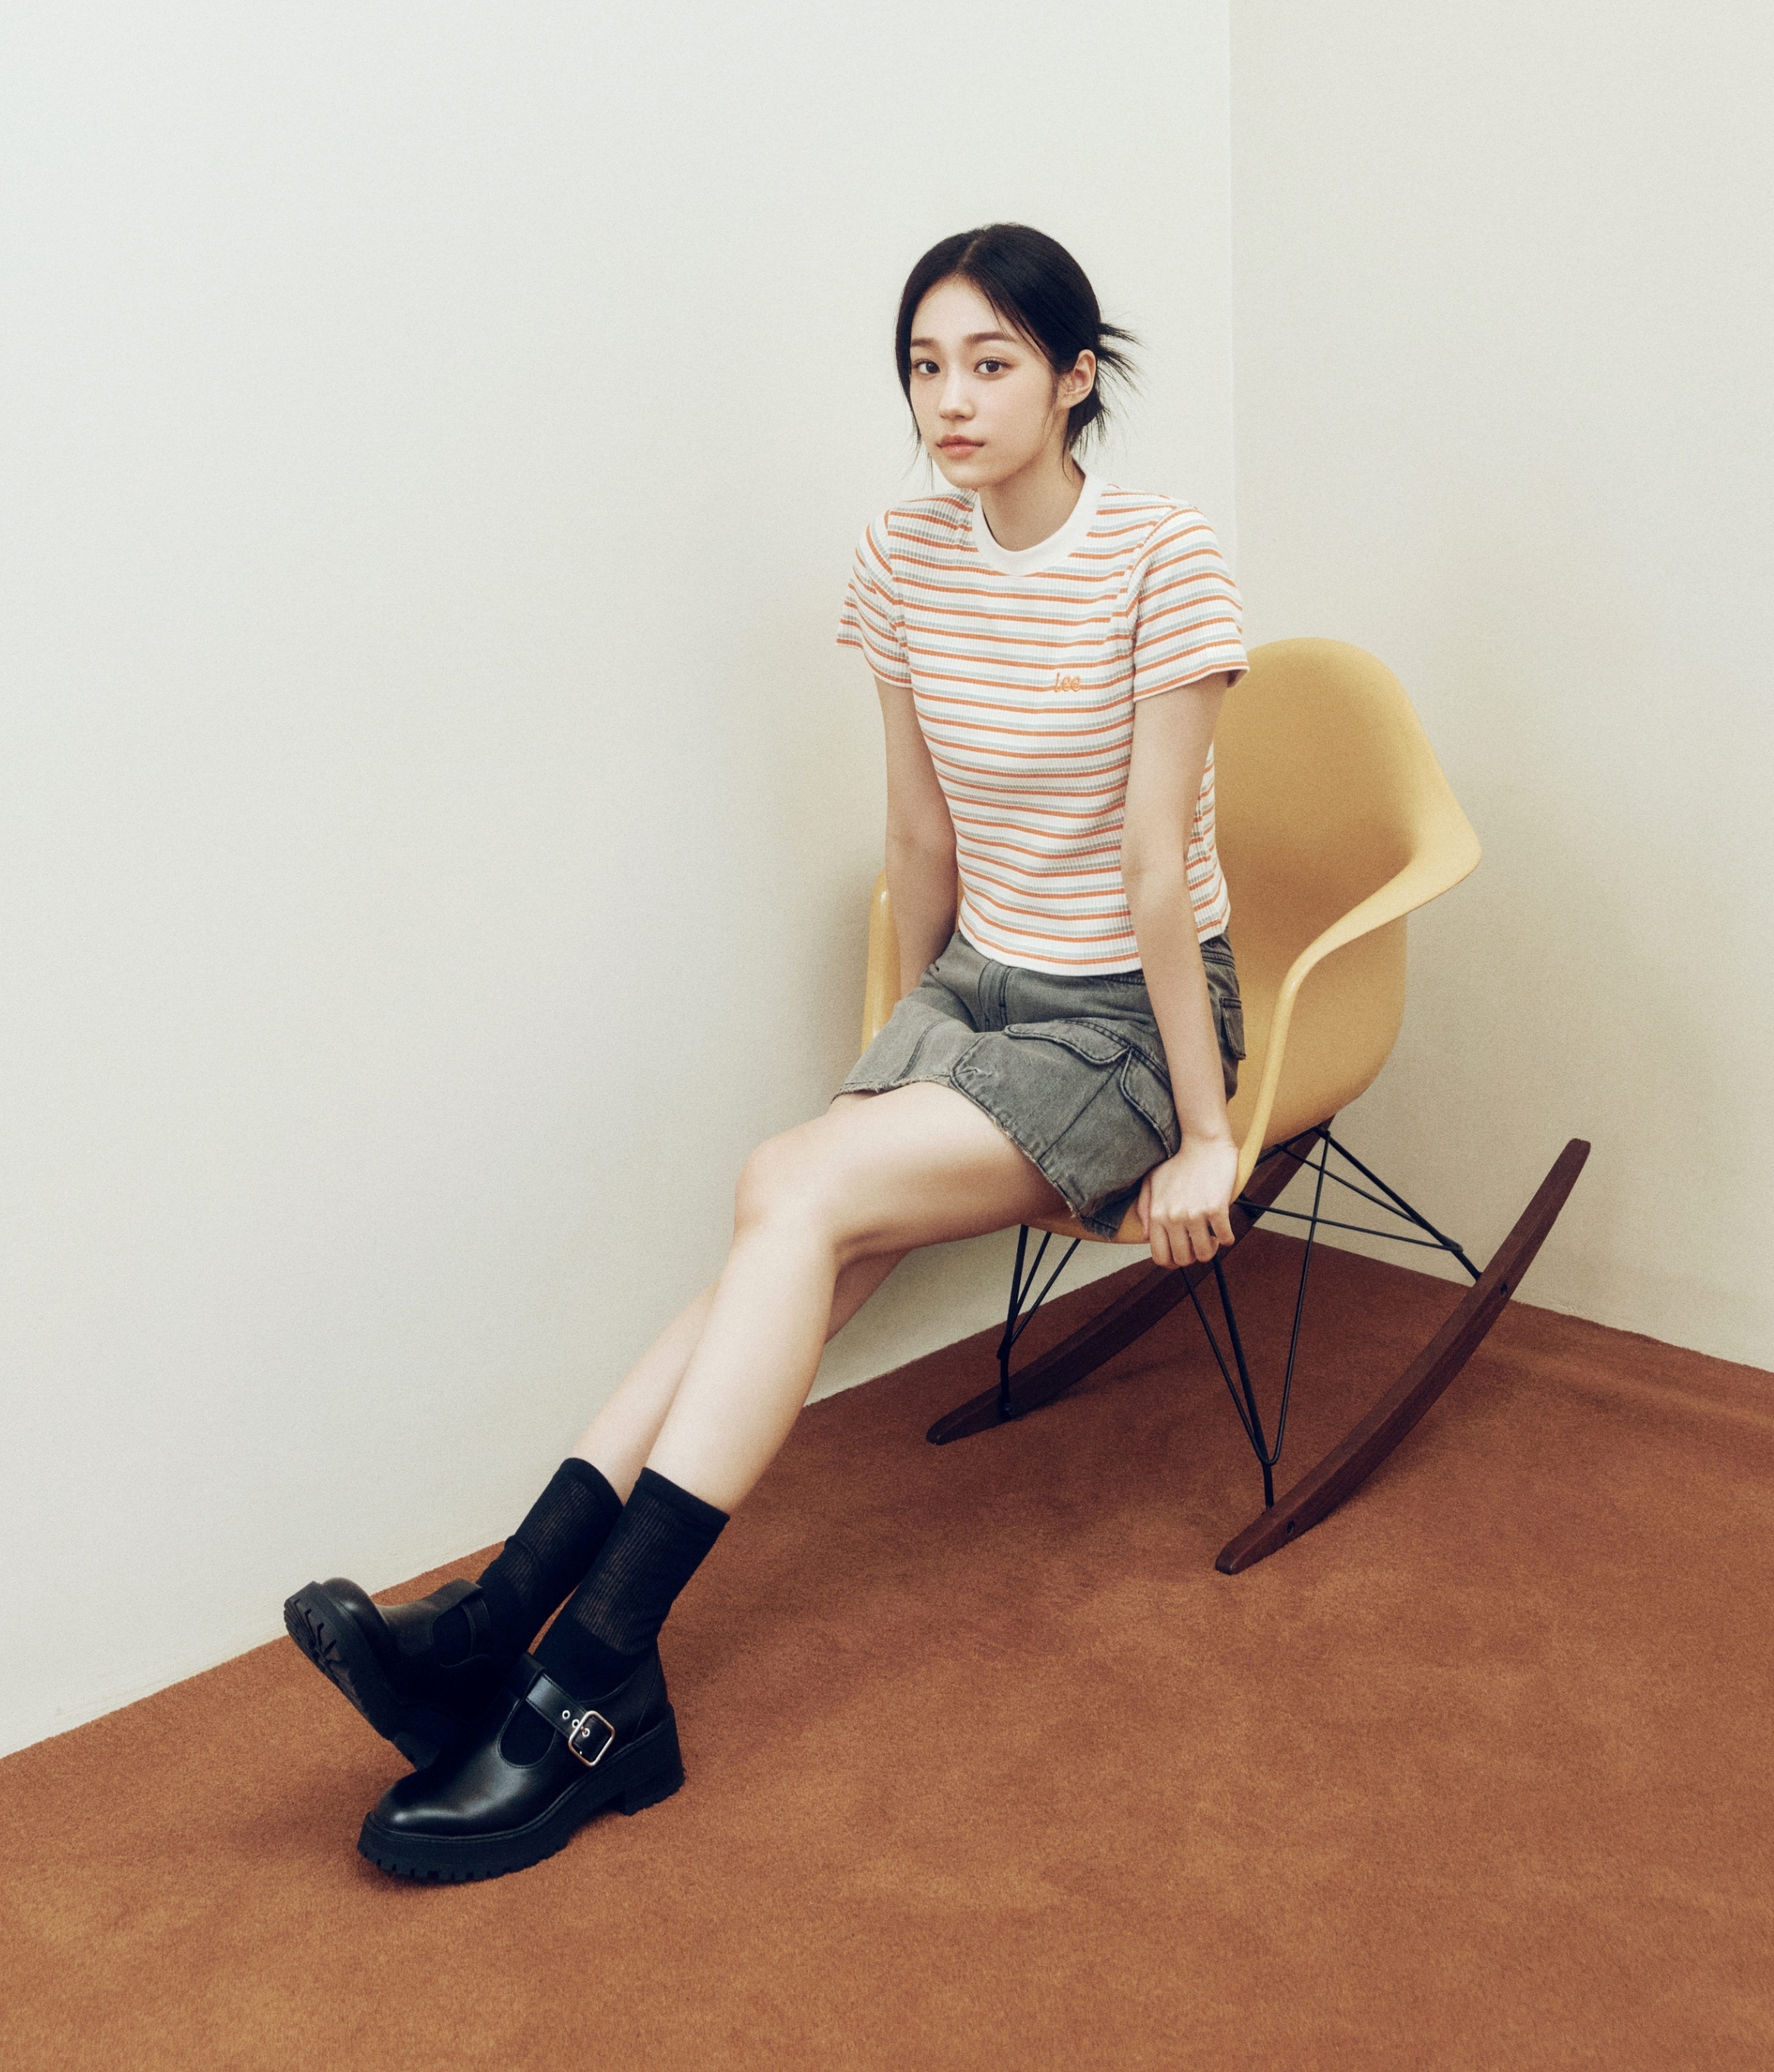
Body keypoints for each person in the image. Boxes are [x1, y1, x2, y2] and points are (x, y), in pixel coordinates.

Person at [285, 222, 1249, 1884]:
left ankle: (571, 1669)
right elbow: (917, 834)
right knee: (798, 1211)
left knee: (786, 1194)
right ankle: (514, 1639)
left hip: (1123, 1024)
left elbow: (1158, 874)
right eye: (924, 366)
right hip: (975, 989)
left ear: (1076, 378)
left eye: (993, 363)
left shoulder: (1165, 555)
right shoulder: (903, 553)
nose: (950, 401)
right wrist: (902, 1060)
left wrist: (1213, 1133)